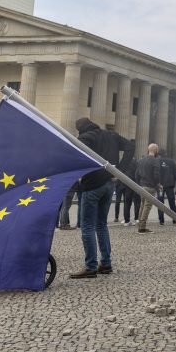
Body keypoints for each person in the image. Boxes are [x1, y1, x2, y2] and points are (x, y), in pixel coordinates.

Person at [69, 117, 133, 279]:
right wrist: (119, 170)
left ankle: (90, 267)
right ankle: (105, 263)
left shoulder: (85, 138)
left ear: (80, 129)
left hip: (92, 185)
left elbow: (79, 160)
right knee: (101, 225)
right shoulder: (111, 135)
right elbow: (130, 146)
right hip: (109, 184)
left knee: (88, 227)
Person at [134, 143, 164, 233]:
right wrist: (158, 184)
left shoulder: (141, 160)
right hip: (150, 186)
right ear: (156, 150)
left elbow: (136, 174)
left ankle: (140, 225)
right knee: (147, 206)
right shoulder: (155, 161)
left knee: (142, 206)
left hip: (142, 186)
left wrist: (139, 184)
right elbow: (156, 175)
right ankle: (142, 227)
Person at [158, 150, 176, 224]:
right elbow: (175, 174)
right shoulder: (171, 161)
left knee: (160, 202)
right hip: (170, 184)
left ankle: (161, 220)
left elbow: (156, 173)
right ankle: (175, 219)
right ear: (166, 154)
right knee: (172, 202)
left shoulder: (158, 161)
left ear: (159, 155)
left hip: (160, 185)